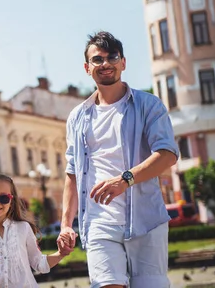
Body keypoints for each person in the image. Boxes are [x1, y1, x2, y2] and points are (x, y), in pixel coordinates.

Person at [58, 31, 179, 288]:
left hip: (146, 220)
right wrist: (66, 225)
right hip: (99, 221)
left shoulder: (149, 105)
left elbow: (167, 154)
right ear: (87, 68)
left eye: (112, 57)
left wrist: (125, 180)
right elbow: (72, 173)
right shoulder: (78, 117)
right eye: (98, 59)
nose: (106, 63)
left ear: (123, 63)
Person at [0, 173, 64, 287]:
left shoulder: (23, 228)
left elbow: (39, 263)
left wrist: (61, 254)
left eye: (3, 198)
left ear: (11, 201)